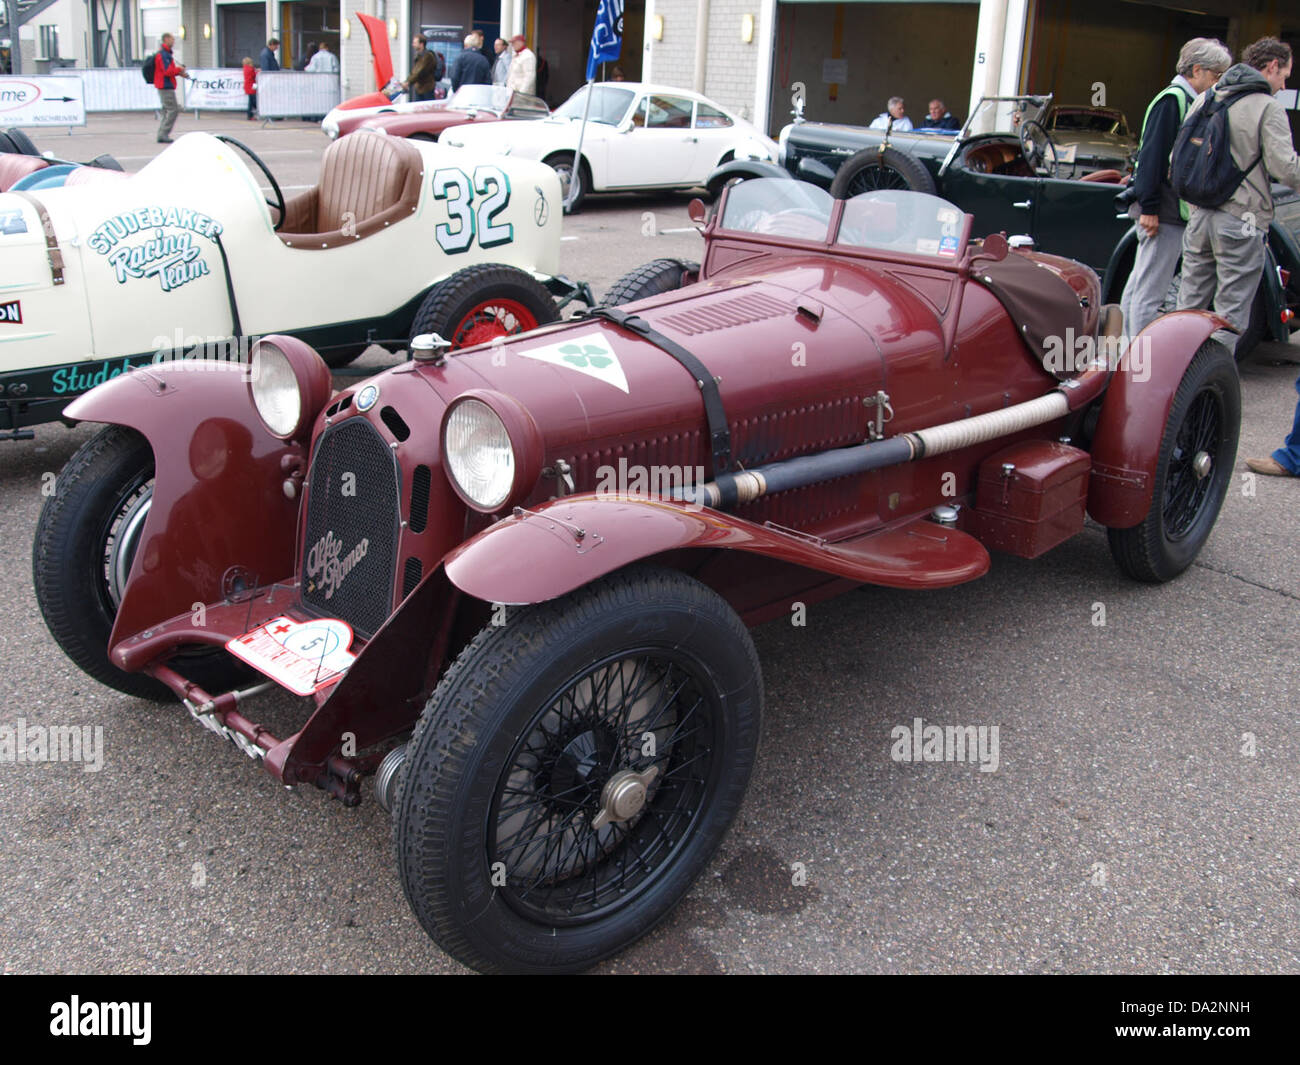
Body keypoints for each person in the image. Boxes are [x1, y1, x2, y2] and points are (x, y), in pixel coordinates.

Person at [1176, 37, 1300, 358]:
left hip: (1200, 217)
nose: (1285, 83)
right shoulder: (1267, 106)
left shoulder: (1206, 98)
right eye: (1285, 75)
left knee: (1187, 308)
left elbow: (1180, 160)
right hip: (1241, 221)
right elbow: (1284, 167)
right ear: (1272, 66)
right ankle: (1210, 391)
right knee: (1229, 315)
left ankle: (1173, 379)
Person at [1119, 38, 1231, 337]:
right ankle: (1139, 362)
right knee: (1149, 291)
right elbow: (1153, 156)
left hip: (1162, 209)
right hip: (1164, 211)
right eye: (1216, 75)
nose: (1218, 83)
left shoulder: (1179, 98)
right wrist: (1150, 208)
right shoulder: (1174, 100)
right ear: (1197, 69)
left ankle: (1127, 354)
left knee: (1139, 286)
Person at [153, 32, 189, 144]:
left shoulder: (166, 54)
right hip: (165, 86)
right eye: (172, 39)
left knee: (166, 110)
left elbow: (169, 71)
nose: (173, 42)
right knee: (173, 110)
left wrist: (180, 73)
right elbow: (167, 71)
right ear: (166, 39)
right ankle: (164, 134)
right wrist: (179, 69)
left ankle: (161, 134)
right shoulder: (163, 55)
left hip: (164, 85)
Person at [403, 34, 441, 101]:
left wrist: (408, 82)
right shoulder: (419, 56)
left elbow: (420, 72)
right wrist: (407, 81)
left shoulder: (428, 56)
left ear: (421, 44)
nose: (413, 45)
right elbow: (414, 71)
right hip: (419, 89)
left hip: (427, 89)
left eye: (415, 43)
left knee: (426, 110)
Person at [242, 56, 257, 121]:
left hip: (247, 86)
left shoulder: (245, 68)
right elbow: (254, 75)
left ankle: (250, 115)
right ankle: (251, 115)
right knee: (252, 102)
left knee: (250, 102)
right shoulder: (251, 69)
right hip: (251, 86)